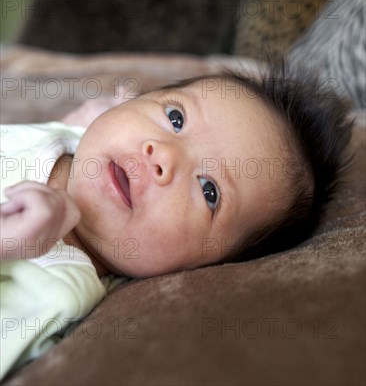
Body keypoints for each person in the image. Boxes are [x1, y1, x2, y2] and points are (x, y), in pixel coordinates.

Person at [0, 56, 355, 379]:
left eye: (209, 190)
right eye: (175, 118)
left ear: (206, 264)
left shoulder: (53, 292)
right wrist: (81, 122)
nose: (163, 157)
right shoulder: (73, 141)